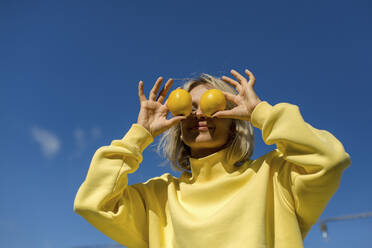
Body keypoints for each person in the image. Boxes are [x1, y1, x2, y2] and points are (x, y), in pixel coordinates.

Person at [74, 69, 351, 248]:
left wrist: (261, 113)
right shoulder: (160, 197)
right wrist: (140, 135)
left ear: (235, 121)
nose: (199, 114)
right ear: (178, 128)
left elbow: (330, 159)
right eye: (188, 108)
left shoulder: (275, 177)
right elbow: (93, 204)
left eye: (211, 104)